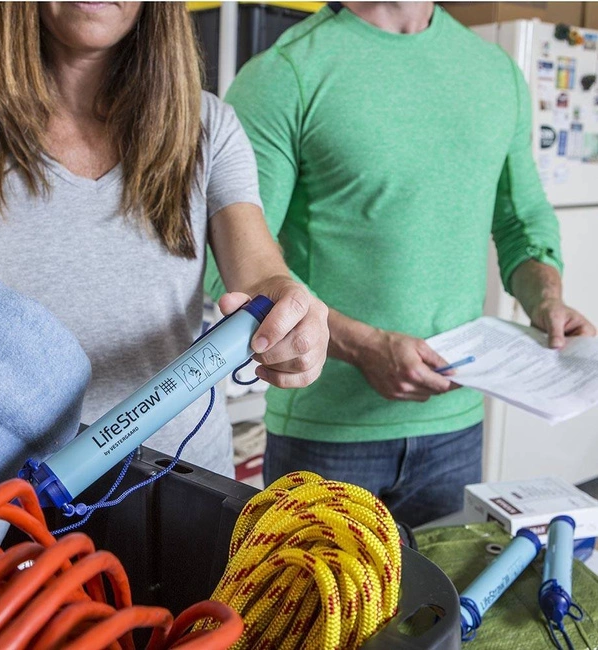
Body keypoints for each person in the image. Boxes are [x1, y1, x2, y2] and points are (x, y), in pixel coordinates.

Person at [205, 1, 595, 525]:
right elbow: (230, 263)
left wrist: (546, 298)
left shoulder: (495, 71)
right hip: (326, 436)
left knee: (446, 608)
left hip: (457, 424)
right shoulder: (285, 74)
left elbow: (522, 222)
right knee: (317, 609)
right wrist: (364, 347)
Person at [0, 2, 328, 481]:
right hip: (1, 496)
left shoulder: (208, 127)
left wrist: (289, 310)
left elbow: (260, 274)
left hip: (182, 485)